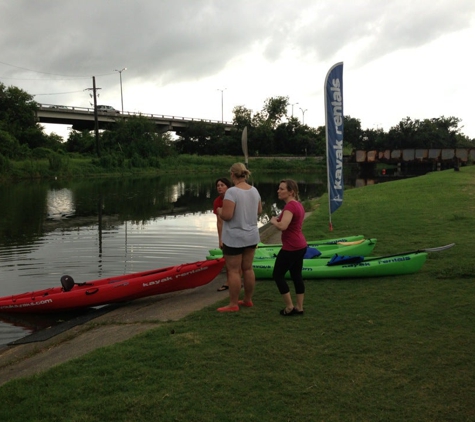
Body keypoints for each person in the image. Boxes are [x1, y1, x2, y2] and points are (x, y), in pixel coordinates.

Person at [216, 163, 262, 312]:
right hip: (252, 235)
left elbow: (228, 216)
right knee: (248, 269)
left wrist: (220, 210)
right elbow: (259, 210)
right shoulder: (254, 190)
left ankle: (233, 304)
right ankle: (248, 300)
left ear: (232, 175)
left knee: (234, 271)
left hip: (235, 237)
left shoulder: (232, 192)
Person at [270, 179, 307, 316]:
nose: (278, 191)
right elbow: (289, 222)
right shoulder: (298, 205)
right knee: (296, 275)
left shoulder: (290, 207)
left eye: (282, 189)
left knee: (278, 275)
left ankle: (289, 307)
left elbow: (283, 226)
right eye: (279, 188)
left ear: (291, 192)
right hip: (300, 245)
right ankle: (300, 307)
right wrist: (278, 219)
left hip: (291, 247)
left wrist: (273, 221)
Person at [213, 177, 232, 291]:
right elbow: (219, 222)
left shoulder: (232, 199)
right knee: (227, 258)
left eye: (222, 185)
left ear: (228, 187)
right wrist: (220, 239)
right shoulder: (217, 202)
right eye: (218, 185)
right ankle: (230, 281)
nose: (219, 187)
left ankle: (232, 282)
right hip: (226, 232)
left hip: (235, 231)